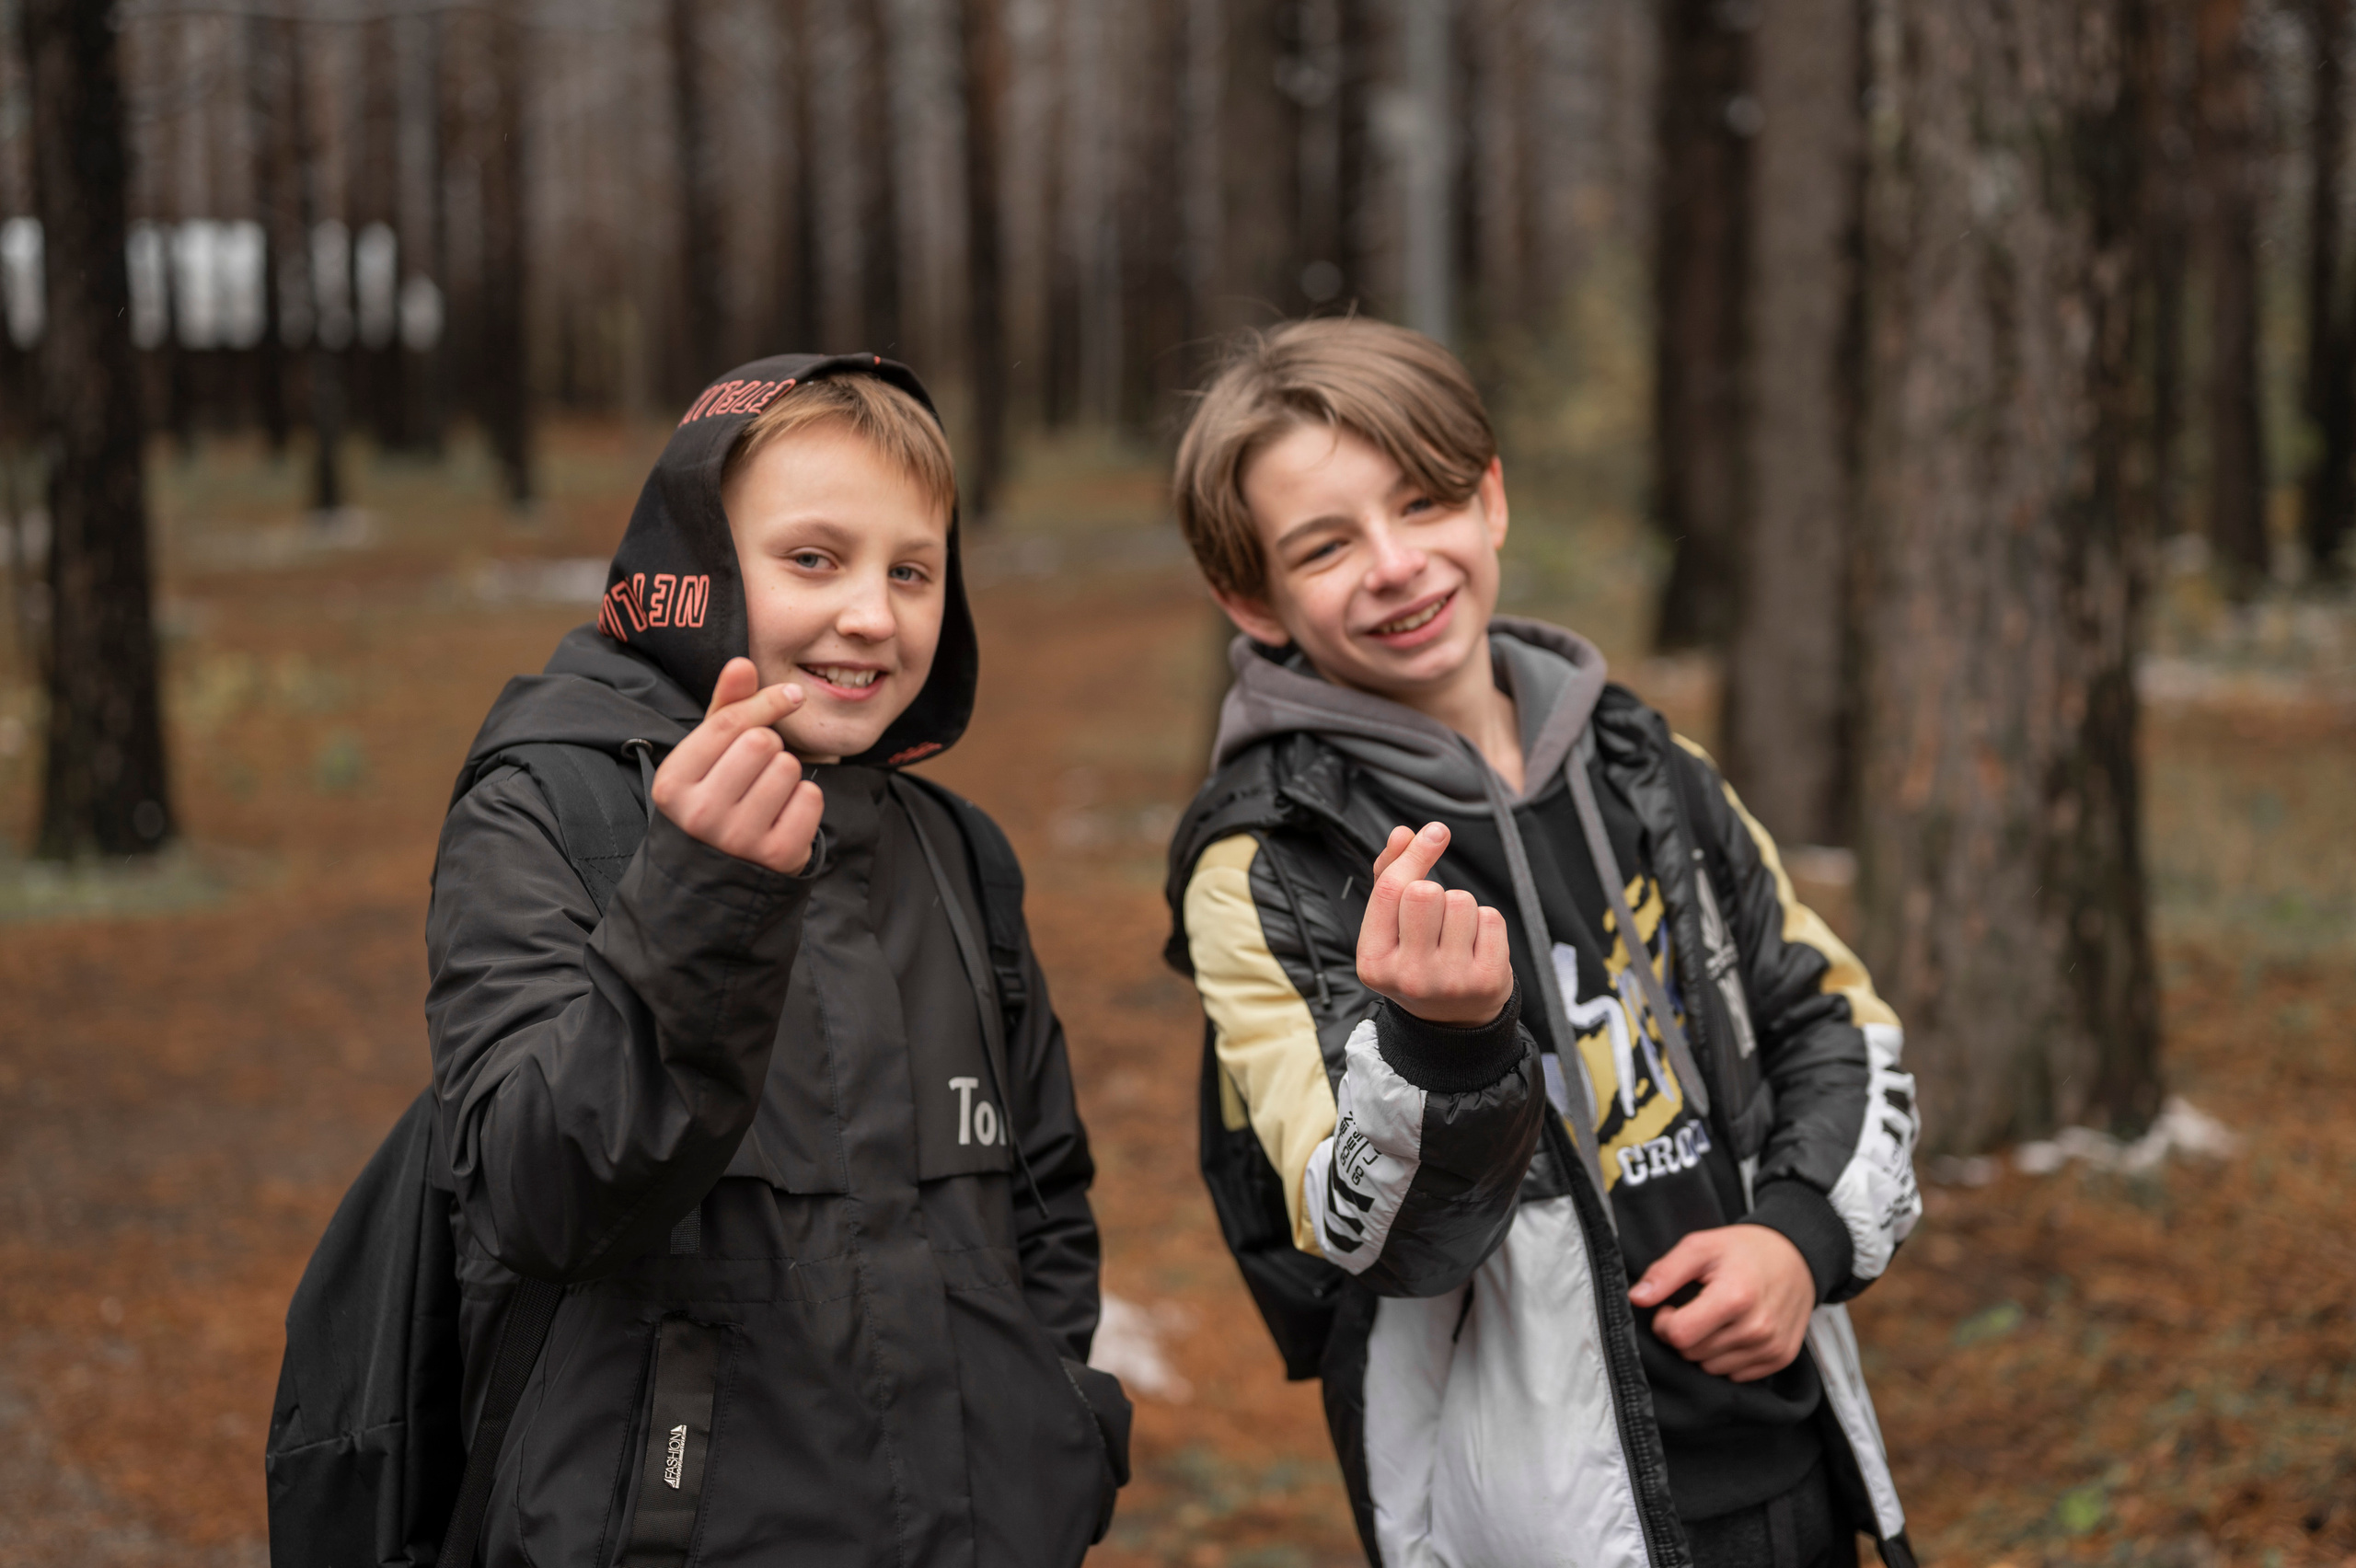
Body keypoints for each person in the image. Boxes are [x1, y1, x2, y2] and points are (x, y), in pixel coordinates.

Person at [1163, 318, 1923, 1568]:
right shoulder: (1269, 861)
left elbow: (1832, 1020)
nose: (1397, 564)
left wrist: (1800, 1235)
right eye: (1326, 545)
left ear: (1492, 498)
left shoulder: (1645, 764)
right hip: (1538, 1524)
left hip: (1788, 1455)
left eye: (1424, 502)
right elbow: (1366, 1232)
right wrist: (1445, 1050)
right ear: (1253, 598)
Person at [427, 353, 1126, 1566]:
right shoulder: (549, 807)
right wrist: (700, 897)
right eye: (813, 559)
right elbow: (534, 1198)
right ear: (692, 571)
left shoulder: (957, 853)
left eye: (912, 571)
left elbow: (1045, 1198)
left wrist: (1053, 1432)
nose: (873, 615)